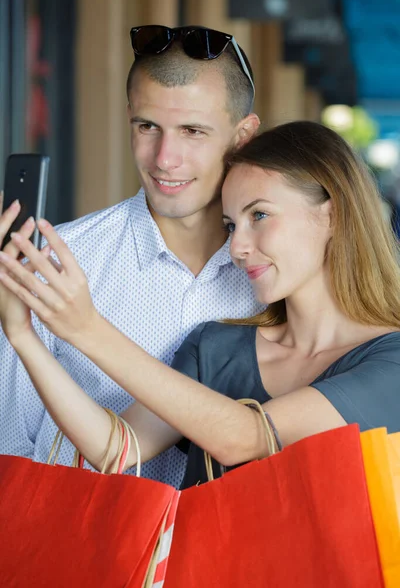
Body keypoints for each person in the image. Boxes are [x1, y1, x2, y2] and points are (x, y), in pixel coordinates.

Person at [1, 121, 400, 489]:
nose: (238, 247)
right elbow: (115, 448)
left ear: (332, 214)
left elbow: (243, 438)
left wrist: (86, 328)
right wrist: (22, 333)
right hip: (200, 569)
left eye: (259, 214)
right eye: (231, 225)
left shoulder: (391, 362)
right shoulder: (215, 347)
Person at [0, 26, 261, 487]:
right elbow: (11, 449)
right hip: (81, 547)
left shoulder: (278, 274)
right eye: (148, 127)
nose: (165, 158)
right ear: (128, 119)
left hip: (230, 551)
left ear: (242, 137)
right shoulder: (55, 261)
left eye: (193, 131)